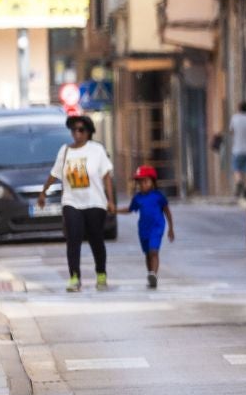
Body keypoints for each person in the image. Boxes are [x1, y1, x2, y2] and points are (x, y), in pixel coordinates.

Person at [39, 115, 115, 292]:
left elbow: (106, 176)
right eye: (74, 130)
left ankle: (101, 274)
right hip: (72, 202)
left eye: (81, 130)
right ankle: (74, 277)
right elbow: (55, 173)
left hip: (95, 202)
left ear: (88, 132)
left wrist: (110, 200)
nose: (77, 133)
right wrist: (43, 192)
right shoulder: (65, 150)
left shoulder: (97, 150)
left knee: (96, 239)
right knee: (73, 240)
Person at [125, 165, 176, 289]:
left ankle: (154, 274)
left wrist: (170, 228)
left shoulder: (159, 196)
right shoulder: (138, 198)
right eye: (140, 182)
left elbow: (167, 211)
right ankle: (150, 275)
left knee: (154, 251)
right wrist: (114, 210)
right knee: (148, 254)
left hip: (157, 227)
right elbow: (130, 209)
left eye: (145, 181)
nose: (143, 185)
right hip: (143, 229)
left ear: (152, 182)